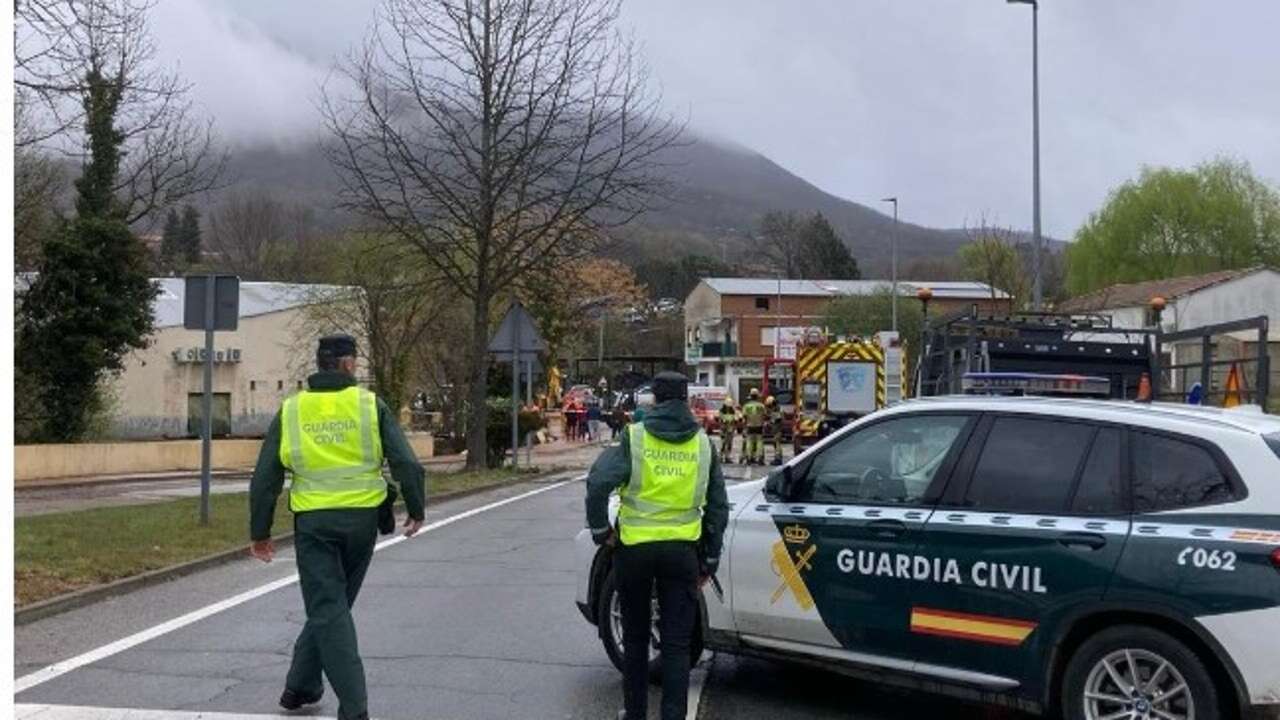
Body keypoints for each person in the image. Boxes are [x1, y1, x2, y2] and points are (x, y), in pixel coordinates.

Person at [248, 334, 426, 720]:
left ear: (321, 363)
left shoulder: (292, 409)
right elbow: (407, 464)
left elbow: (266, 476)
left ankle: (333, 698)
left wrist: (259, 531)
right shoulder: (368, 404)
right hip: (361, 521)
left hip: (313, 522)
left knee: (329, 607)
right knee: (333, 607)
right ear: (348, 364)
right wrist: (416, 507)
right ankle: (311, 691)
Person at [585, 372, 729, 720]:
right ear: (686, 400)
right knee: (677, 645)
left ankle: (634, 714)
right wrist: (709, 559)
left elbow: (598, 483)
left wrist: (602, 531)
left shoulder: (635, 438)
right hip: (682, 555)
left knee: (635, 639)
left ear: (655, 400)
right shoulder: (702, 444)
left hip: (634, 552)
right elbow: (718, 508)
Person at [740, 388, 767, 465]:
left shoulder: (746, 406)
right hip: (759, 426)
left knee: (749, 441)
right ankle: (760, 458)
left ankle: (749, 457)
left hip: (749, 425)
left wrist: (744, 426)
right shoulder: (761, 406)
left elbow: (744, 417)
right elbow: (764, 416)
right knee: (759, 442)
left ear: (751, 396)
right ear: (757, 396)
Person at [717, 397, 739, 463]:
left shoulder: (733, 412)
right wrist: (723, 422)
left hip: (730, 430)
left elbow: (736, 419)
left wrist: (734, 422)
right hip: (723, 430)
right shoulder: (721, 411)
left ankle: (727, 457)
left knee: (729, 444)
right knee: (723, 444)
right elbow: (719, 419)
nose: (728, 407)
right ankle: (720, 456)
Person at [765, 395, 785, 466]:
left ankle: (778, 459)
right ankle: (778, 457)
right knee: (776, 444)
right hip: (777, 430)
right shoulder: (776, 409)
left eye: (770, 406)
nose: (769, 408)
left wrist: (768, 423)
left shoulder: (777, 410)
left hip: (778, 430)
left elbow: (775, 420)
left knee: (777, 444)